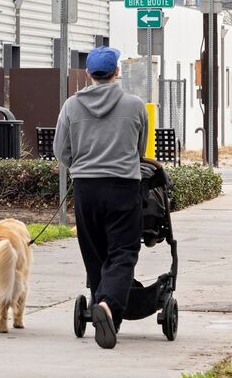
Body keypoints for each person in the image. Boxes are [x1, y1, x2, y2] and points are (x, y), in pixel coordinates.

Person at [55, 45, 148, 350]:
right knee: (123, 252)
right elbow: (139, 149)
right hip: (123, 187)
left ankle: (105, 316)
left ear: (88, 73)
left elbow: (61, 150)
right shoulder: (135, 106)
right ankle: (107, 305)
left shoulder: (71, 106)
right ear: (117, 72)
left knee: (95, 253)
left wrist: (82, 166)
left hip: (86, 189)